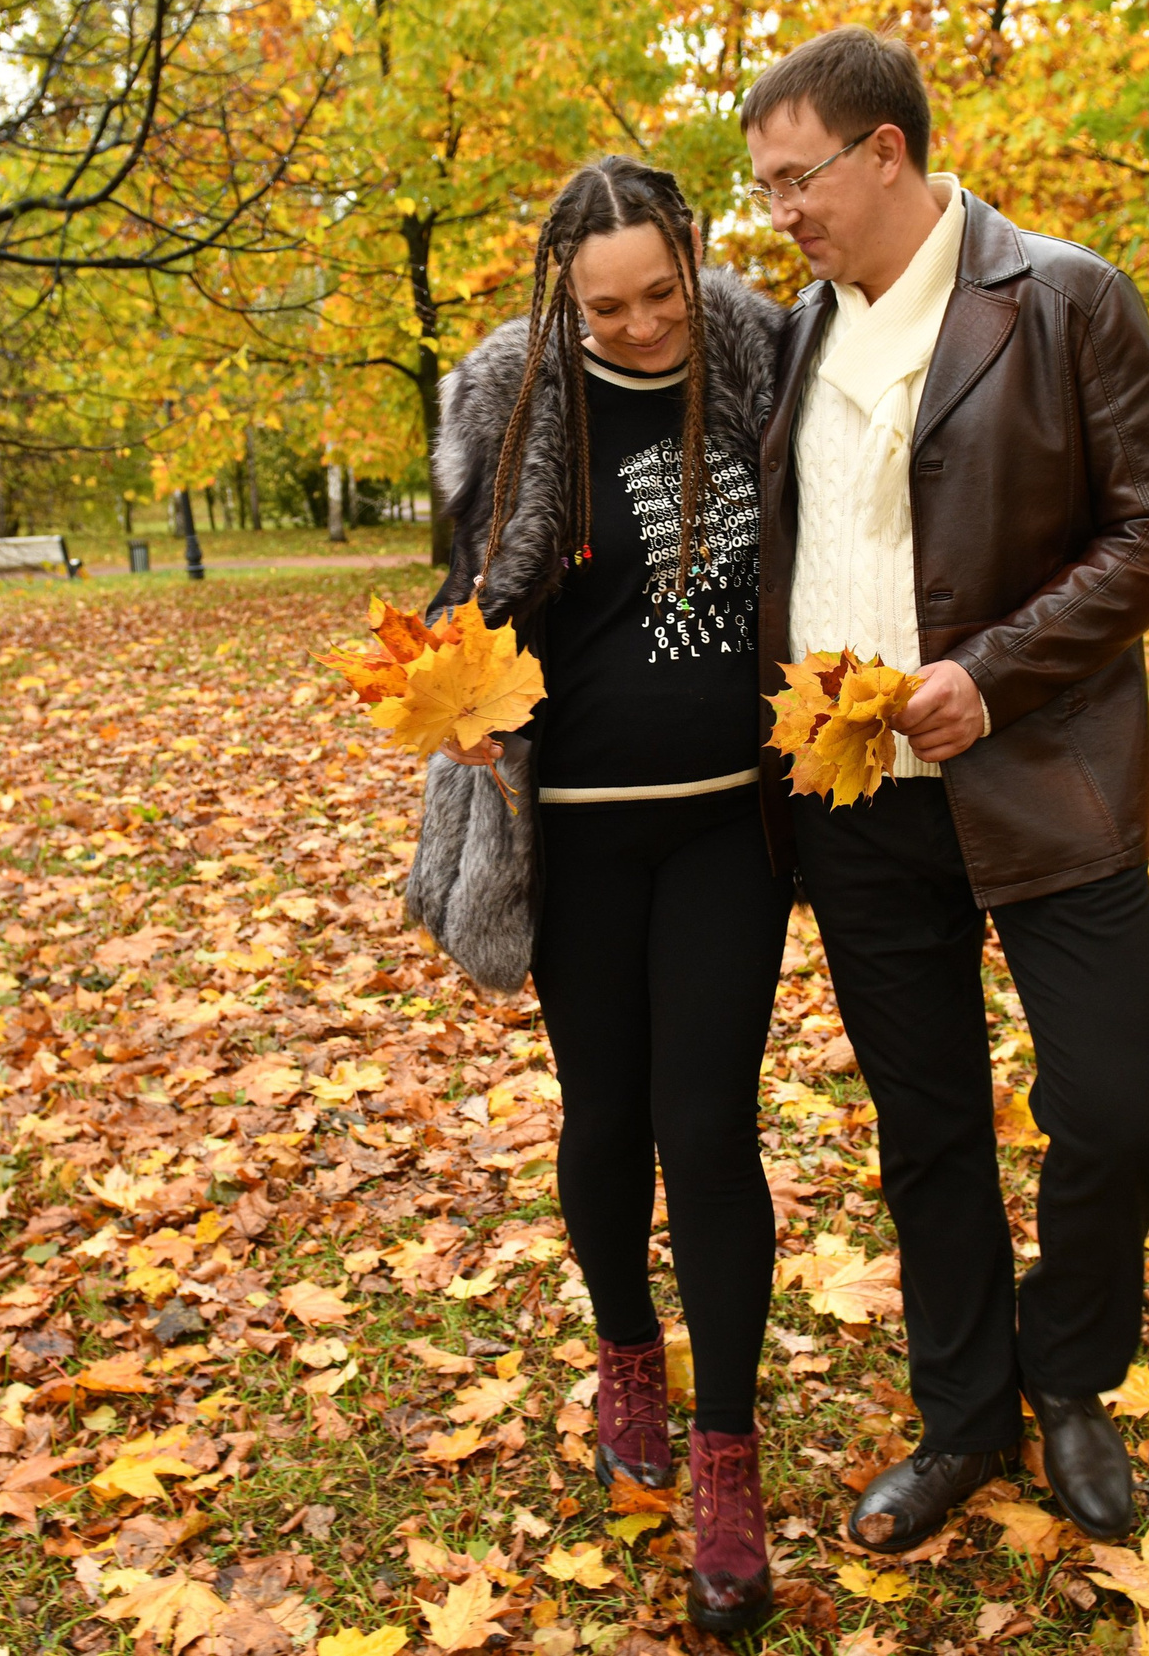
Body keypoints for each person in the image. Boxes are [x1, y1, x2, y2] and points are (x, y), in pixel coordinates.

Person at [740, 28, 1149, 1552]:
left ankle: (1070, 1375)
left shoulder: (1062, 295)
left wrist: (995, 671)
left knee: (1115, 1105)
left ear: (888, 153)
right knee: (926, 1123)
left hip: (1045, 775)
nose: (781, 215)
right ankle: (965, 1417)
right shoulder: (797, 330)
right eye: (762, 189)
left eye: (797, 179)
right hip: (853, 790)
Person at [425, 156, 790, 1635]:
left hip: (725, 831)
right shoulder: (515, 399)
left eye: (662, 294)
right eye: (608, 305)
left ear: (696, 261)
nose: (642, 326)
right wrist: (456, 663)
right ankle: (627, 1350)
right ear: (560, 295)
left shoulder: (768, 357)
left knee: (708, 1128)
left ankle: (727, 1460)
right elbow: (474, 605)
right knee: (609, 1115)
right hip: (572, 832)